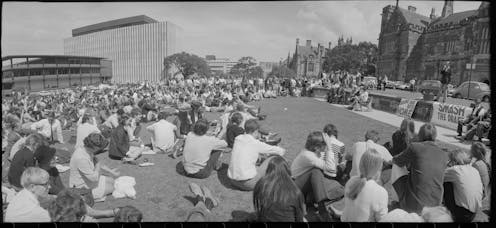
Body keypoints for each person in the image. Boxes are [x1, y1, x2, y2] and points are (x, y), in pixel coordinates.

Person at [392, 123, 448, 213]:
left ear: (420, 135)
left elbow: (397, 160)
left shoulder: (415, 147)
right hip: (436, 206)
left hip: (415, 206)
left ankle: (396, 201)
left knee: (396, 166)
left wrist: (386, 161)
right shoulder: (444, 154)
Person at [290, 132, 343, 221]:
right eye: (325, 144)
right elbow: (331, 169)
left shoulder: (313, 152)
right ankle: (322, 209)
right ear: (317, 147)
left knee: (339, 188)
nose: (326, 146)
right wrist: (330, 148)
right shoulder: (308, 155)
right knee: (316, 172)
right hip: (296, 185)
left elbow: (331, 171)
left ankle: (310, 201)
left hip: (304, 183)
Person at [228, 119, 285, 191]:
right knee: (274, 158)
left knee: (257, 163)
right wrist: (278, 147)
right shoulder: (255, 143)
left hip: (233, 180)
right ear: (256, 131)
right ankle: (278, 179)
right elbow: (281, 151)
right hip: (248, 184)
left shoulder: (238, 138)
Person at [341, 148, 388, 222]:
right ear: (379, 169)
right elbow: (382, 220)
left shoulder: (351, 181)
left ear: (360, 165)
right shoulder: (381, 192)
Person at [253, 155, 305, 222]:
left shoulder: (261, 184)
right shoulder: (294, 191)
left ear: (269, 169)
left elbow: (260, 208)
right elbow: (299, 219)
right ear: (287, 169)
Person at [70, 133, 120, 202]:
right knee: (112, 188)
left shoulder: (86, 150)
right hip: (81, 188)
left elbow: (97, 163)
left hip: (88, 180)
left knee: (112, 181)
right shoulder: (81, 158)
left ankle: (96, 195)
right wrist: (97, 165)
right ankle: (87, 198)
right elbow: (94, 178)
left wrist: (111, 171)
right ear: (95, 147)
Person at [443, 149, 483, 222]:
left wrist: (446, 165)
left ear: (454, 160)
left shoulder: (454, 170)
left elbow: (438, 176)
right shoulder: (474, 169)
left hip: (460, 213)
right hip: (473, 213)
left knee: (446, 183)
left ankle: (445, 210)